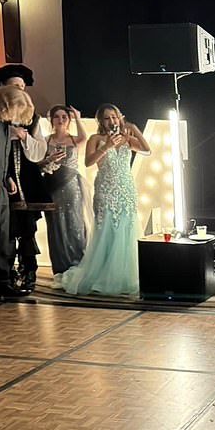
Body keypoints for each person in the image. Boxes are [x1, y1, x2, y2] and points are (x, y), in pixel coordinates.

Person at [59, 104, 150, 296]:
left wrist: (134, 129)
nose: (112, 121)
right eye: (107, 118)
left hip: (126, 189)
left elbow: (146, 150)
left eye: (115, 117)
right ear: (101, 121)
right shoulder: (96, 138)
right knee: (106, 230)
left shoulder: (127, 139)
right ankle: (102, 275)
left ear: (120, 118)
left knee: (127, 230)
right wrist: (106, 146)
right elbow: (88, 162)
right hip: (106, 190)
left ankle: (126, 276)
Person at [0, 64, 50, 292]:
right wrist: (8, 134)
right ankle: (3, 276)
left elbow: (38, 152)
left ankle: (28, 273)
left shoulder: (32, 118)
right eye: (15, 86)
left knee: (27, 228)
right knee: (3, 231)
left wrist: (23, 138)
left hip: (26, 179)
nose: (20, 90)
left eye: (22, 86)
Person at [0, 86, 35, 300]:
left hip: (0, 185)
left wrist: (7, 178)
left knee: (4, 237)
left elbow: (2, 156)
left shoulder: (4, 125)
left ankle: (2, 282)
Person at [40, 105, 90, 274]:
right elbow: (37, 163)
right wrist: (49, 160)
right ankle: (60, 268)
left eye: (64, 117)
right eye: (57, 117)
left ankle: (78, 264)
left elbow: (85, 137)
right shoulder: (45, 140)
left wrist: (77, 117)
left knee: (74, 222)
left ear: (68, 120)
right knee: (55, 225)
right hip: (51, 186)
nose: (60, 120)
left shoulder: (75, 139)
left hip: (71, 187)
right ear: (51, 119)